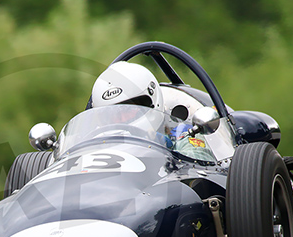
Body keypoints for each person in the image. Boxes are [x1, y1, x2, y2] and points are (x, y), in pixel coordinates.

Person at [88, 61, 216, 163]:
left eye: (128, 109)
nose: (120, 118)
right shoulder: (92, 147)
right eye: (111, 114)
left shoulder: (181, 134)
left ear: (151, 100)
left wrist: (164, 151)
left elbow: (199, 170)